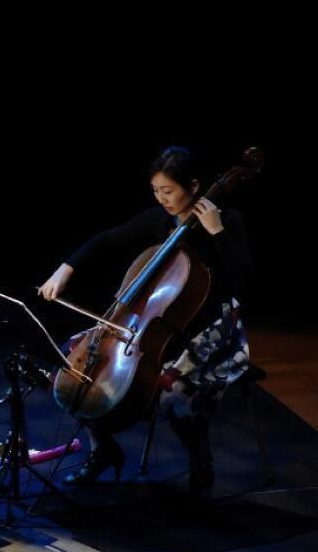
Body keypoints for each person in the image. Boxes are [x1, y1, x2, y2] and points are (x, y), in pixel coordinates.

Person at [38, 146, 253, 495]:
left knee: (174, 394)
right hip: (157, 328)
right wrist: (66, 268)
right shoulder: (159, 220)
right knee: (74, 364)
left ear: (194, 186)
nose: (161, 198)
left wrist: (217, 233)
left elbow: (244, 281)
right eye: (156, 190)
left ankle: (202, 467)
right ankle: (103, 450)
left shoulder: (226, 220)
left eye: (167, 191)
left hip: (210, 329)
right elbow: (106, 240)